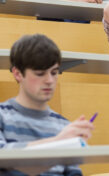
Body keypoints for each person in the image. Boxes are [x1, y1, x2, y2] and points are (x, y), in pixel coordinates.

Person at [0, 34, 94, 175]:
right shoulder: (2, 116)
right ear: (18, 74)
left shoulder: (63, 126)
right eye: (40, 73)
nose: (49, 80)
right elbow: (3, 157)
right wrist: (60, 142)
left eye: (54, 72)